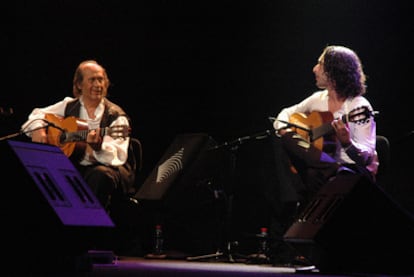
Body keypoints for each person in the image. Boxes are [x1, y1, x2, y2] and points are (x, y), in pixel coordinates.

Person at [269, 45, 378, 264]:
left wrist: (347, 142)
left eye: (320, 64)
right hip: (323, 169)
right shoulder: (318, 99)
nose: (314, 69)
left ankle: (300, 229)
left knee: (312, 172)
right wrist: (285, 129)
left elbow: (367, 156)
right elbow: (284, 114)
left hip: (350, 172)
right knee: (281, 139)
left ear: (333, 72)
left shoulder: (358, 106)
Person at [20, 60, 135, 217]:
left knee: (100, 175)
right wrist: (38, 129)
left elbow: (118, 156)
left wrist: (98, 148)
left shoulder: (116, 116)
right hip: (74, 164)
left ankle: (92, 230)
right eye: (92, 80)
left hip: (108, 170)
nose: (98, 84)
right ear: (79, 85)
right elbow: (35, 115)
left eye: (101, 79)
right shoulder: (69, 105)